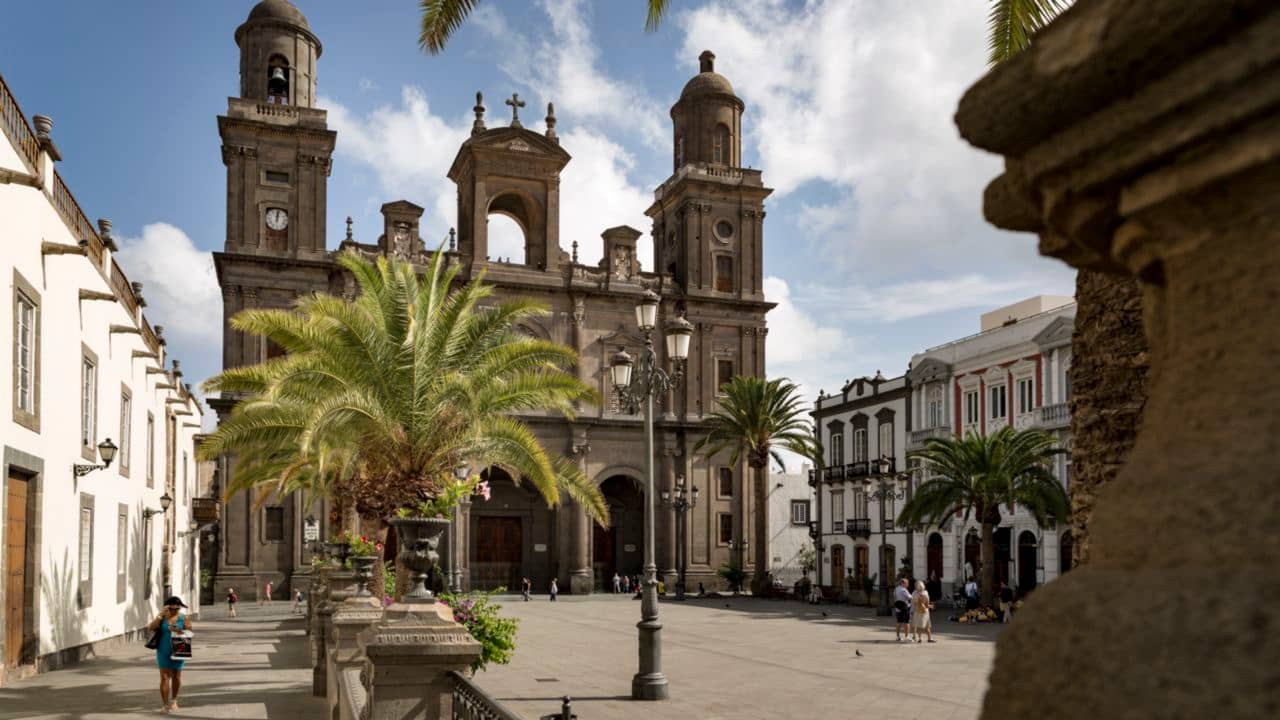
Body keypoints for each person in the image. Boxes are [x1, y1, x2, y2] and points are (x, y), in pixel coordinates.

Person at [148, 596, 193, 713]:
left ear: (179, 608)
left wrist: (180, 631)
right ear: (167, 607)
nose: (174, 611)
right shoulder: (162, 618)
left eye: (176, 609)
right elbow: (151, 627)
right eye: (171, 608)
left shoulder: (184, 618)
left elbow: (190, 632)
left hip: (179, 649)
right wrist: (160, 614)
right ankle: (165, 705)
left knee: (176, 677)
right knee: (164, 677)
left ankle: (174, 700)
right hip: (163, 650)